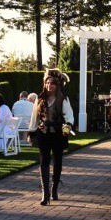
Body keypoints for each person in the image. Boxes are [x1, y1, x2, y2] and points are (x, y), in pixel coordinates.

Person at [28, 69, 74, 206]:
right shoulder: (40, 98)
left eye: (52, 83)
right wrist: (32, 131)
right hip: (43, 134)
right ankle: (45, 193)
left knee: (58, 162)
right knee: (44, 162)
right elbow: (34, 117)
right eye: (47, 83)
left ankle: (54, 189)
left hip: (58, 134)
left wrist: (68, 126)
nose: (50, 85)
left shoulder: (63, 99)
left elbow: (69, 115)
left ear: (58, 85)